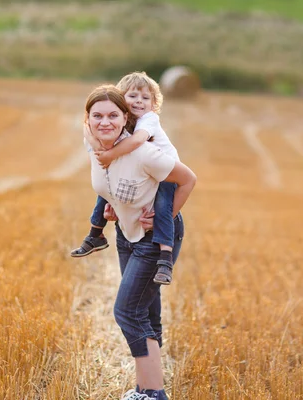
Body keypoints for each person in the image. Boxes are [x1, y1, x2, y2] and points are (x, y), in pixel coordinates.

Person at [80, 84, 196, 400]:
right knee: (146, 312)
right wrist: (115, 208)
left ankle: (155, 393)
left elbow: (188, 179)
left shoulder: (144, 151)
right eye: (97, 116)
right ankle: (144, 390)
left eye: (112, 115)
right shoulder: (95, 149)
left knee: (128, 312)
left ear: (125, 117)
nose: (104, 122)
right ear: (88, 121)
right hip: (125, 236)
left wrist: (163, 217)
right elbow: (115, 184)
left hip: (153, 238)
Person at [71, 72, 180, 286]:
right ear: (121, 99)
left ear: (154, 103)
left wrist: (109, 155)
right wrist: (97, 147)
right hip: (143, 173)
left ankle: (165, 256)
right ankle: (95, 233)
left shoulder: (149, 120)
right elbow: (86, 127)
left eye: (145, 98)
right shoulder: (120, 119)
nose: (139, 101)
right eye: (132, 96)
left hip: (167, 173)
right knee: (107, 189)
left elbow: (138, 141)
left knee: (163, 207)